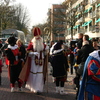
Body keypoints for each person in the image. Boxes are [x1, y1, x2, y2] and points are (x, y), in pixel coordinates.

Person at [19, 27, 49, 94]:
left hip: (41, 60)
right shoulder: (31, 44)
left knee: (40, 75)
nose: (38, 38)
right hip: (33, 60)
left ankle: (39, 88)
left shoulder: (42, 44)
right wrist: (33, 53)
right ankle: (34, 87)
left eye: (39, 37)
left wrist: (46, 50)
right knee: (34, 74)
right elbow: (27, 52)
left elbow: (45, 51)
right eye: (37, 37)